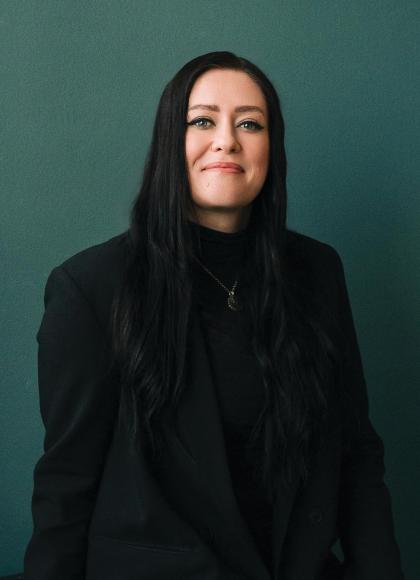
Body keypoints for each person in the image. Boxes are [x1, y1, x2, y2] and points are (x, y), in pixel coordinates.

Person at [24, 51, 404, 580]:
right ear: (169, 142)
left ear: (272, 148)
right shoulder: (90, 288)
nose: (227, 140)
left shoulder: (317, 271)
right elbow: (66, 487)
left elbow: (357, 456)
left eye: (250, 124)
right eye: (202, 121)